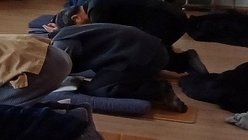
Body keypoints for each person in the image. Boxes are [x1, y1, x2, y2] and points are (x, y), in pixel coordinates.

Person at [50, 0, 207, 75]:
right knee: (149, 49)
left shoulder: (97, 12)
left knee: (147, 52)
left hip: (169, 19)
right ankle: (183, 60)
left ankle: (186, 60)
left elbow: (107, 43)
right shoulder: (89, 3)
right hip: (171, 13)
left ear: (77, 18)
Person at [52, 23, 189, 112]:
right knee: (98, 81)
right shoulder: (63, 34)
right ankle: (181, 62)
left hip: (145, 56)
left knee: (98, 90)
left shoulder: (62, 46)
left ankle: (157, 89)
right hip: (149, 49)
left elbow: (59, 72)